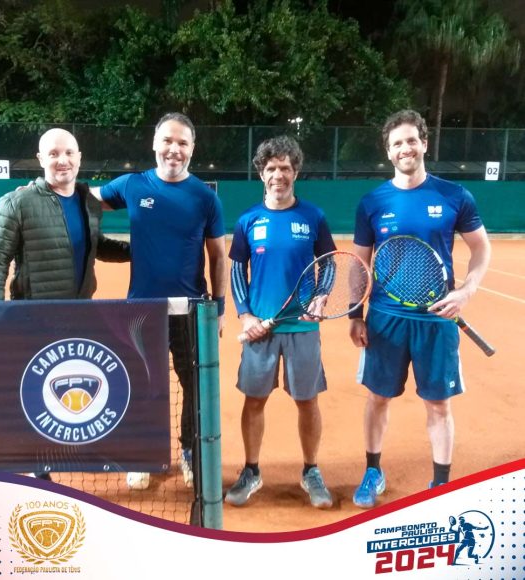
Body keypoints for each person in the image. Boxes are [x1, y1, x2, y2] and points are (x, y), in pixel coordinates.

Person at [349, 110, 491, 508]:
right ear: (388, 151)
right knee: (377, 398)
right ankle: (372, 472)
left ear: (424, 144)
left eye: (411, 140)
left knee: (439, 405)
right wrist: (355, 315)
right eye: (397, 143)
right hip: (385, 320)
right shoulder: (372, 202)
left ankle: (440, 486)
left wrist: (466, 291)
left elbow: (481, 248)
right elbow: (359, 264)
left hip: (437, 320)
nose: (405, 148)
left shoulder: (454, 196)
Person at [0, 128, 130, 480]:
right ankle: (35, 465)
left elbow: (94, 245)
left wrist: (136, 251)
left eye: (69, 153)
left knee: (67, 383)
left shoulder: (88, 202)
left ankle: (63, 448)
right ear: (40, 159)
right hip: (34, 318)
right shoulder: (16, 203)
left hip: (79, 315)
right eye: (54, 154)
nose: (63, 160)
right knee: (32, 391)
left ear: (79, 157)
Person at [90, 112, 227, 490]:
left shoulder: (205, 197)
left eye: (183, 143)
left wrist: (218, 308)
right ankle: (144, 454)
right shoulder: (132, 185)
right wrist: (45, 190)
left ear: (192, 149)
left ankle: (189, 451)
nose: (174, 149)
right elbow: (85, 200)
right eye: (168, 140)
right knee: (142, 385)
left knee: (194, 386)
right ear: (154, 143)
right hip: (141, 312)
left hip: (190, 311)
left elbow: (218, 256)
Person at [225, 135, 335, 509]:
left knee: (307, 401)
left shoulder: (313, 217)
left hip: (303, 327)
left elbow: (329, 263)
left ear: (295, 172)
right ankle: (251, 470)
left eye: (285, 168)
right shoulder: (248, 221)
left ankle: (311, 470)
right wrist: (246, 315)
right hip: (261, 329)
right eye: (271, 168)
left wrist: (321, 297)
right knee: (254, 400)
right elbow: (237, 270)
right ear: (261, 173)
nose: (278, 175)